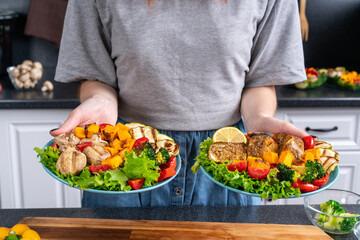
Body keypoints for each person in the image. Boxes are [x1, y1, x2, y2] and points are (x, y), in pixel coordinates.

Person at [51, 0, 308, 207]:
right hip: (125, 156)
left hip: (225, 160)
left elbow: (259, 81)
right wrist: (100, 101)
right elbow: (95, 76)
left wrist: (259, 118)